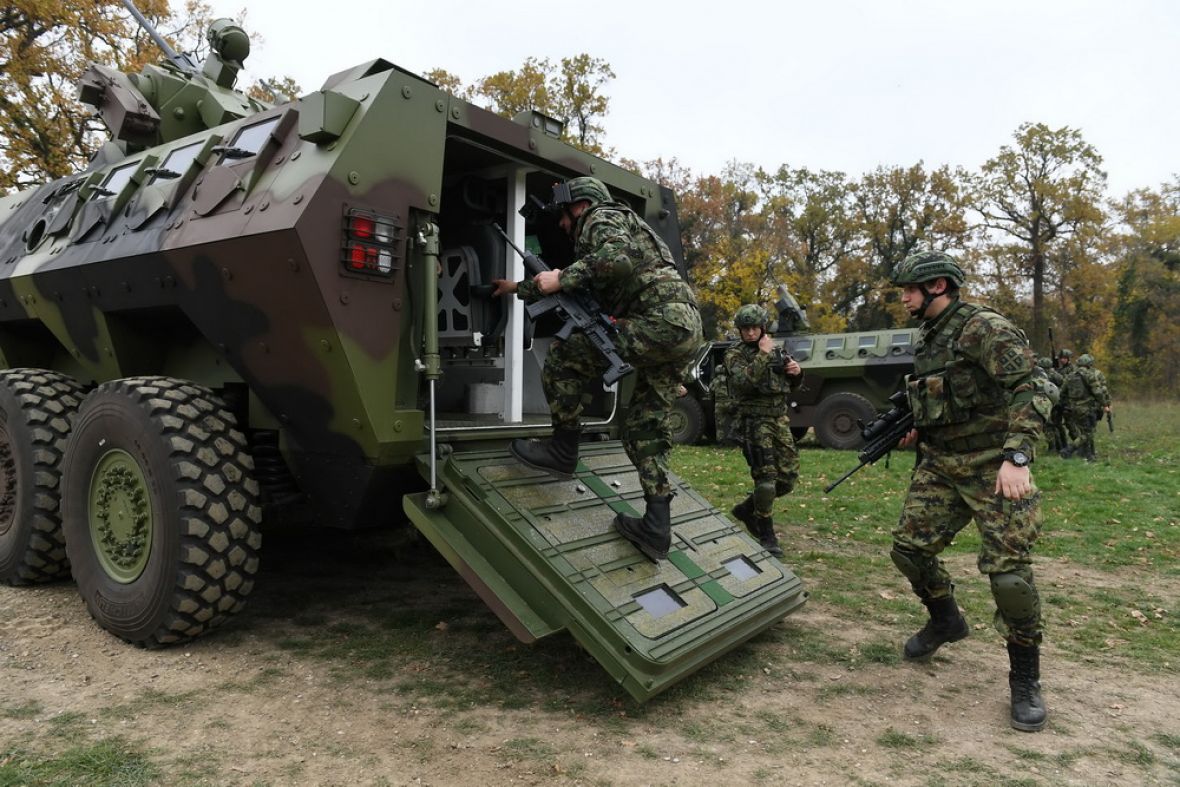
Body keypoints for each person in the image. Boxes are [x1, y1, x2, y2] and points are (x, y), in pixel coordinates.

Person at [491, 176, 704, 562]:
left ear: (580, 205)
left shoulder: (601, 218)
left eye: (564, 216)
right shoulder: (628, 225)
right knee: (644, 427)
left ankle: (562, 449)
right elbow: (576, 285)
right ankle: (656, 527)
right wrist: (516, 288)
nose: (561, 225)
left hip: (657, 323)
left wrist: (561, 276)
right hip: (682, 329)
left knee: (562, 357)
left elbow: (616, 261)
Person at [888, 249, 1052, 732]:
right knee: (909, 551)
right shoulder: (931, 335)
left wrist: (1017, 455)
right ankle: (945, 620)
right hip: (942, 464)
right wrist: (921, 424)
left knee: (1009, 578)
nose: (903, 298)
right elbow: (948, 396)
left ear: (938, 286)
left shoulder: (983, 328)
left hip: (993, 465)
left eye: (909, 289)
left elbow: (1035, 386)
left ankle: (1025, 680)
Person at [723, 304, 803, 558]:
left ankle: (747, 509)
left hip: (778, 420)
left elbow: (787, 385)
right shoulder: (734, 355)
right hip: (754, 422)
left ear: (763, 327)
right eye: (745, 329)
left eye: (754, 328)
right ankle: (767, 534)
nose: (749, 333)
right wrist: (762, 355)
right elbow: (743, 383)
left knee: (787, 479)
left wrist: (797, 373)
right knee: (766, 481)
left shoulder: (776, 350)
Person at [1060, 352, 1111, 461]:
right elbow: (1098, 392)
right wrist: (1105, 404)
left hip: (1073, 409)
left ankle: (1089, 455)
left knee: (1083, 431)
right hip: (1087, 409)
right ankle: (1069, 449)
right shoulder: (1090, 375)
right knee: (1087, 433)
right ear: (1089, 364)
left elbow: (1062, 393)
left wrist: (1067, 404)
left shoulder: (1070, 376)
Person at [1036, 358, 1065, 452]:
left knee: (1048, 426)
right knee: (1058, 425)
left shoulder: (1039, 375)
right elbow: (1063, 385)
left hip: (1045, 403)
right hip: (1056, 403)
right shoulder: (1056, 375)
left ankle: (1053, 446)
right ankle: (1062, 445)